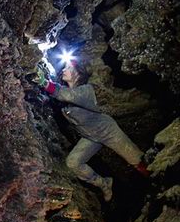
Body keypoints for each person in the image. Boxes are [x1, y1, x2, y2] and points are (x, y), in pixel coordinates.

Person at [33, 61, 149, 202]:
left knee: (136, 159)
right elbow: (62, 94)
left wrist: (44, 83)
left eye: (68, 67)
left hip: (107, 131)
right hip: (90, 136)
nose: (64, 69)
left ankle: (156, 179)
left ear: (78, 73)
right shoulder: (65, 94)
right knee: (73, 163)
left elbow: (68, 95)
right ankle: (104, 183)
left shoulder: (86, 90)